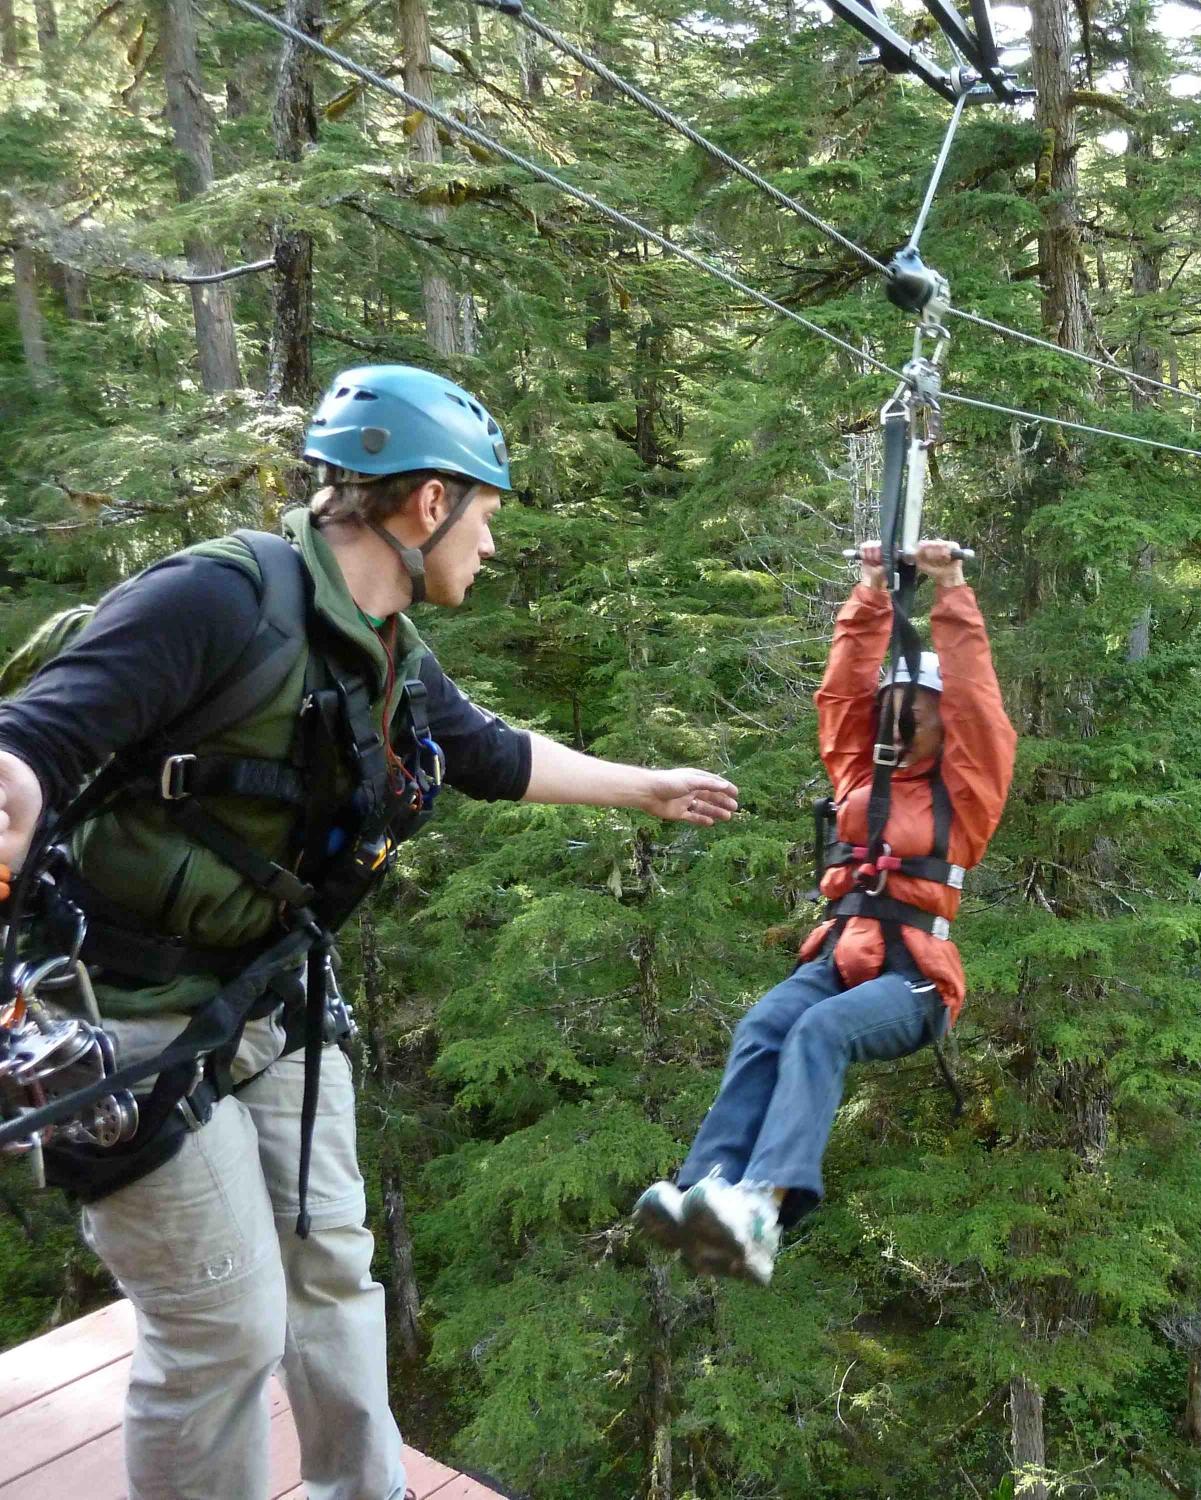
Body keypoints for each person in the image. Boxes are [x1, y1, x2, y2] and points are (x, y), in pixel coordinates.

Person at [0, 365, 739, 1500]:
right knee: (222, 1334)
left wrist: (648, 789)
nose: (489, 549)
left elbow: (486, 753)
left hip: (273, 1004)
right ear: (429, 503)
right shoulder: (217, 599)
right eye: (486, 518)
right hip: (129, 1022)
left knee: (334, 1270)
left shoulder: (381, 645)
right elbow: (34, 743)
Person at [633, 535, 1014, 1284]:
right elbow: (840, 693)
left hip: (915, 977)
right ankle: (707, 1188)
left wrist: (951, 590)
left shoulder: (965, 794)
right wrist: (873, 589)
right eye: (891, 711)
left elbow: (980, 705)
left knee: (817, 1032)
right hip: (842, 953)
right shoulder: (858, 774)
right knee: (767, 1024)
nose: (896, 727)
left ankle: (763, 1208)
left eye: (915, 715)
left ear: (944, 726)